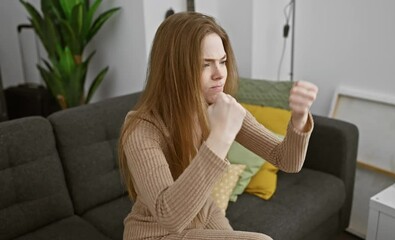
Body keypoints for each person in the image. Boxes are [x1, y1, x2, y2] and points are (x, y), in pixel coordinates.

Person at [118, 12, 318, 240]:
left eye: (222, 61)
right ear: (175, 70)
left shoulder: (220, 106)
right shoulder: (141, 128)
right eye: (206, 65)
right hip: (154, 234)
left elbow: (286, 160)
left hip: (202, 214)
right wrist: (221, 136)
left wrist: (299, 119)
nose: (219, 74)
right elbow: (170, 217)